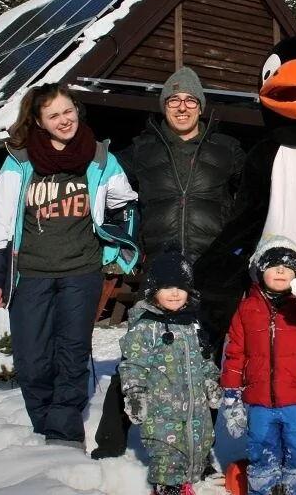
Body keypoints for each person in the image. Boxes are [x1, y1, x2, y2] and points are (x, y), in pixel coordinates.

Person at [92, 66, 245, 461]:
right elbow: (99, 180)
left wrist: (238, 251)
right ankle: (110, 444)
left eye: (190, 100)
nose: (182, 107)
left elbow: (253, 198)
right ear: (164, 107)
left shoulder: (227, 149)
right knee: (139, 353)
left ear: (201, 107)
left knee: (206, 361)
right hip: (161, 270)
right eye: (174, 100)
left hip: (211, 270)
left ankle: (200, 450)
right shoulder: (141, 149)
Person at [0, 82, 139, 450]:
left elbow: (125, 202)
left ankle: (64, 433)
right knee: (32, 360)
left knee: (72, 354)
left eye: (68, 111)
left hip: (81, 271)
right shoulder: (19, 161)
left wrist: (116, 249)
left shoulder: (99, 157)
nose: (64, 120)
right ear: (39, 121)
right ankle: (44, 423)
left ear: (77, 111)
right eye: (53, 115)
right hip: (30, 274)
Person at [220, 236, 296, 495]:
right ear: (261, 271)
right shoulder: (247, 309)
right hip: (259, 401)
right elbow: (235, 354)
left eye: (289, 266)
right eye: (273, 265)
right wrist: (231, 394)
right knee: (262, 454)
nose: (281, 270)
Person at [119, 247, 221, 495]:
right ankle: (168, 485)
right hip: (161, 411)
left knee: (200, 439)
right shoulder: (146, 327)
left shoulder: (193, 323)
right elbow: (133, 364)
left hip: (196, 407)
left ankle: (195, 473)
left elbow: (205, 357)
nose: (175, 293)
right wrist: (135, 394)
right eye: (167, 287)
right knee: (166, 451)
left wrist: (211, 380)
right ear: (154, 291)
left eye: (181, 287)